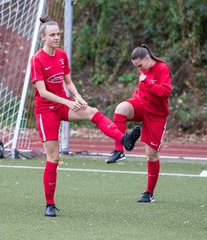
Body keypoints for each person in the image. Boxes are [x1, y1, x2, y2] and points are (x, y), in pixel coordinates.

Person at [30, 16, 141, 217]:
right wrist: (68, 101)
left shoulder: (62, 55)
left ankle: (124, 140)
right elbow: (43, 92)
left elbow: (68, 82)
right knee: (53, 157)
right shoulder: (37, 59)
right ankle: (49, 204)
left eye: (58, 34)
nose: (56, 38)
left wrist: (78, 97)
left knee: (92, 111)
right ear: (43, 37)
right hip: (46, 111)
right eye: (52, 35)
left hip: (64, 104)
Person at [107, 44, 172, 203]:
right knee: (121, 108)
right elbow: (142, 91)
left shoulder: (162, 68)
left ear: (148, 58)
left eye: (140, 65)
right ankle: (119, 150)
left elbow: (165, 92)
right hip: (141, 105)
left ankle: (149, 194)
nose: (139, 69)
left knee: (151, 155)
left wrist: (148, 84)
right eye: (137, 67)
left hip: (156, 115)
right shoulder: (143, 70)